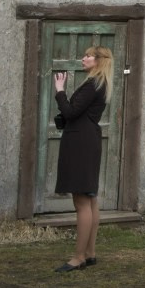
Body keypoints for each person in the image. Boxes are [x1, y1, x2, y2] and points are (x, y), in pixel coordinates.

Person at [51, 45, 113, 273]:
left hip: (81, 144)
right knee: (90, 199)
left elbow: (70, 112)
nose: (83, 58)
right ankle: (89, 253)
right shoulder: (99, 83)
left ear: (99, 60)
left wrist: (59, 90)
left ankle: (78, 257)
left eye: (88, 55)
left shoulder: (93, 84)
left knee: (82, 202)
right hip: (88, 141)